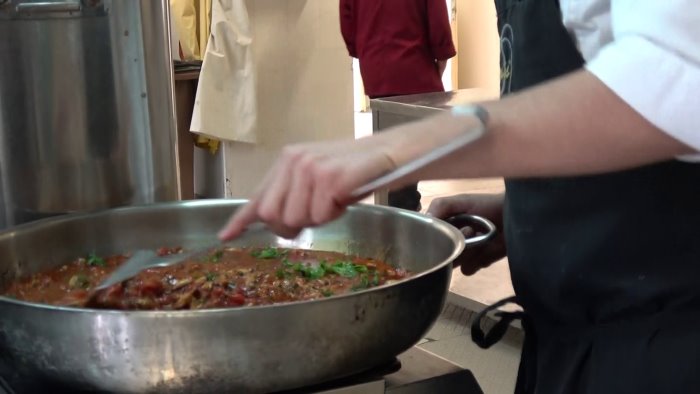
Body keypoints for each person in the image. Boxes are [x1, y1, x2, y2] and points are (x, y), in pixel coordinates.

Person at [220, 0, 700, 392]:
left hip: (665, 346)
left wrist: (396, 147)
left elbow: (679, 81)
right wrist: (530, 213)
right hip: (570, 343)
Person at [339, 0, 456, 211]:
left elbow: (347, 19)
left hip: (375, 68)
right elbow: (437, 13)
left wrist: (365, 50)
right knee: (410, 153)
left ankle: (394, 210)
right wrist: (442, 54)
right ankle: (403, 214)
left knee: (390, 146)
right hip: (414, 68)